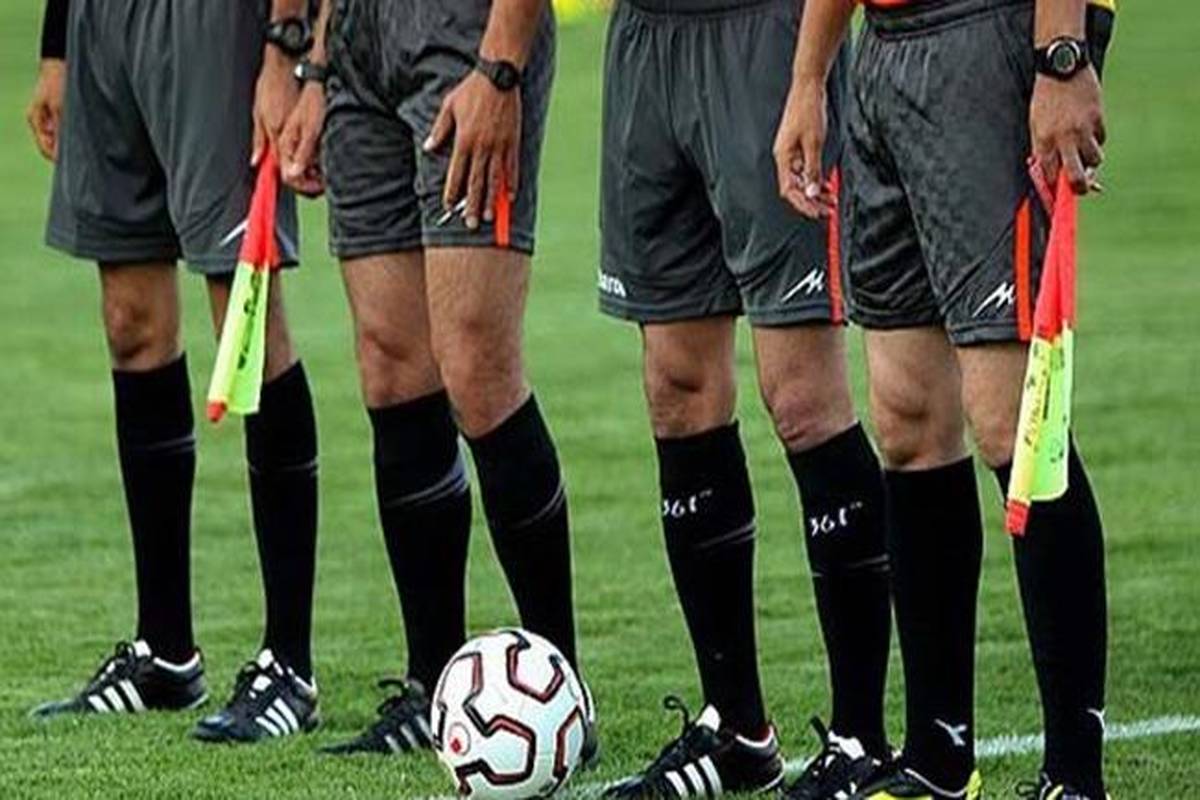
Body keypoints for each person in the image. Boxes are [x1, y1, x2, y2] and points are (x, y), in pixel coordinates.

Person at [775, 0, 1115, 797]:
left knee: (1011, 421)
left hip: (989, 32)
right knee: (906, 420)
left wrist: (1060, 57)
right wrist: (809, 77)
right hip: (884, 51)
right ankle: (938, 759)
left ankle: (1074, 776)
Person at [276, 0, 595, 758]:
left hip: (463, 37)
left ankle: (561, 693)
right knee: (391, 367)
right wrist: (317, 67)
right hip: (355, 45)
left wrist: (501, 65)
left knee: (477, 369)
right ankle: (431, 685)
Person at [595, 0, 894, 796]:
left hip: (764, 35)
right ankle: (737, 728)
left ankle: (861, 739)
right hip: (645, 43)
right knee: (677, 388)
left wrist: (810, 75)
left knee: (802, 397)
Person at [26, 0, 324, 744]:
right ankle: (165, 652)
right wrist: (58, 46)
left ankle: (289, 663)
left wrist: (283, 50)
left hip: (215, 26)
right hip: (102, 29)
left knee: (244, 319)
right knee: (131, 323)